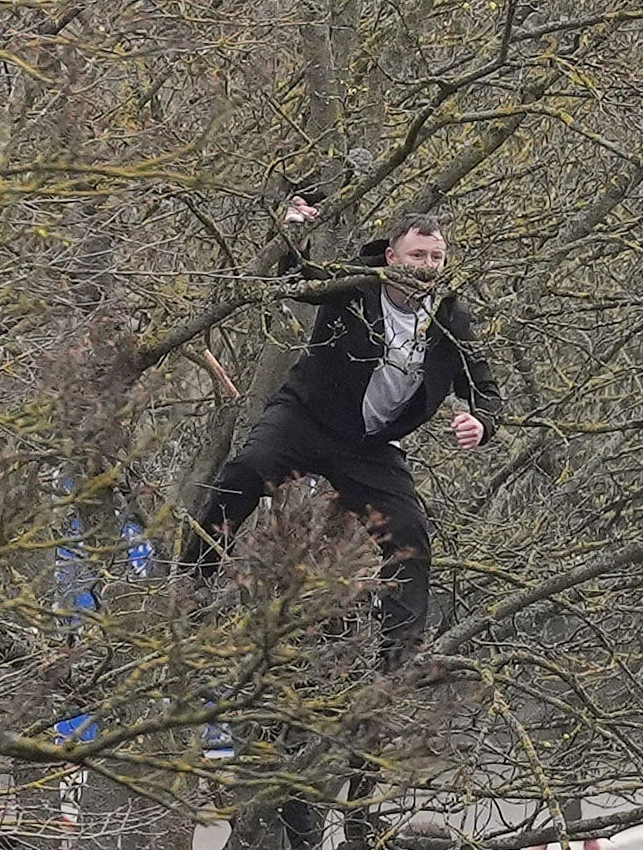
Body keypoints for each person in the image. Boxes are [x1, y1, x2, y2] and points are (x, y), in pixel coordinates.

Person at [191, 201, 500, 666]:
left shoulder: (450, 316)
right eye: (418, 256)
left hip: (368, 444)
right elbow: (299, 281)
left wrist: (481, 422)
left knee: (409, 533)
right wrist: (292, 235)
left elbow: (483, 387)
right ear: (393, 257)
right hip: (307, 418)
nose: (427, 267)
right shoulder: (357, 283)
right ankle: (192, 576)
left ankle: (398, 656)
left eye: (436, 258)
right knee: (246, 470)